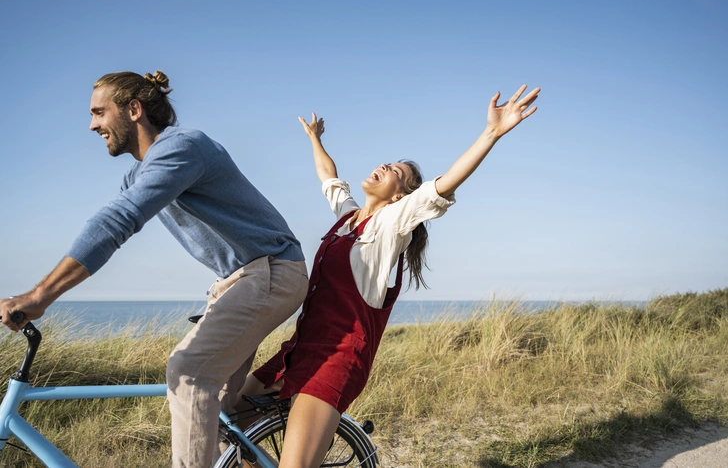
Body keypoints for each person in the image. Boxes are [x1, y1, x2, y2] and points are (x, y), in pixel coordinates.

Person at [0, 71, 309, 468]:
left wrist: (39, 295)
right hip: (240, 280)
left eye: (99, 113)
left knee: (188, 375)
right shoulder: (140, 172)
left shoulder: (183, 146)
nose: (92, 125)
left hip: (271, 272)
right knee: (215, 411)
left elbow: (118, 220)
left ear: (133, 110)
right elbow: (111, 221)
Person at [239, 84, 540, 468]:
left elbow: (444, 184)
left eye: (395, 171)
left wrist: (492, 133)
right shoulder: (348, 220)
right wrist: (315, 139)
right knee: (226, 418)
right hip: (297, 351)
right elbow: (329, 178)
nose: (383, 166)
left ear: (401, 196)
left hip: (337, 359)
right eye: (387, 162)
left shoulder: (391, 225)